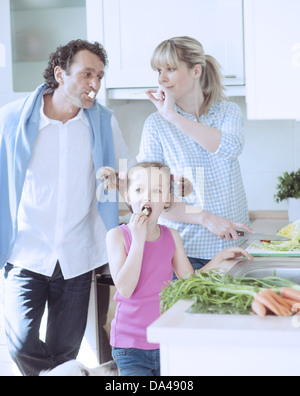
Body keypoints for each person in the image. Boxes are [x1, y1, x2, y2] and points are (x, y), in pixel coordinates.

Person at [0, 39, 133, 376]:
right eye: (87, 74)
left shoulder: (102, 122)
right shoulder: (12, 119)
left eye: (100, 76)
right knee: (20, 342)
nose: (95, 84)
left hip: (78, 254)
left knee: (65, 352)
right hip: (26, 251)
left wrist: (163, 196)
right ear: (60, 74)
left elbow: (128, 176)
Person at [102, 162, 253, 376]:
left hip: (166, 339)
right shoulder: (117, 236)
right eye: (139, 190)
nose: (148, 197)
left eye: (157, 190)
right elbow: (125, 289)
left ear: (166, 200)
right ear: (128, 197)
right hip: (130, 347)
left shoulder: (171, 237)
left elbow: (189, 281)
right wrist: (138, 241)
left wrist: (220, 258)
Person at [137, 36, 253, 272]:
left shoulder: (227, 112)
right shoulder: (156, 126)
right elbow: (152, 198)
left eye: (170, 69)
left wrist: (174, 117)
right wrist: (205, 218)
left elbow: (229, 148)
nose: (162, 78)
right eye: (159, 70)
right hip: (182, 254)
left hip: (233, 249)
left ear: (196, 71)